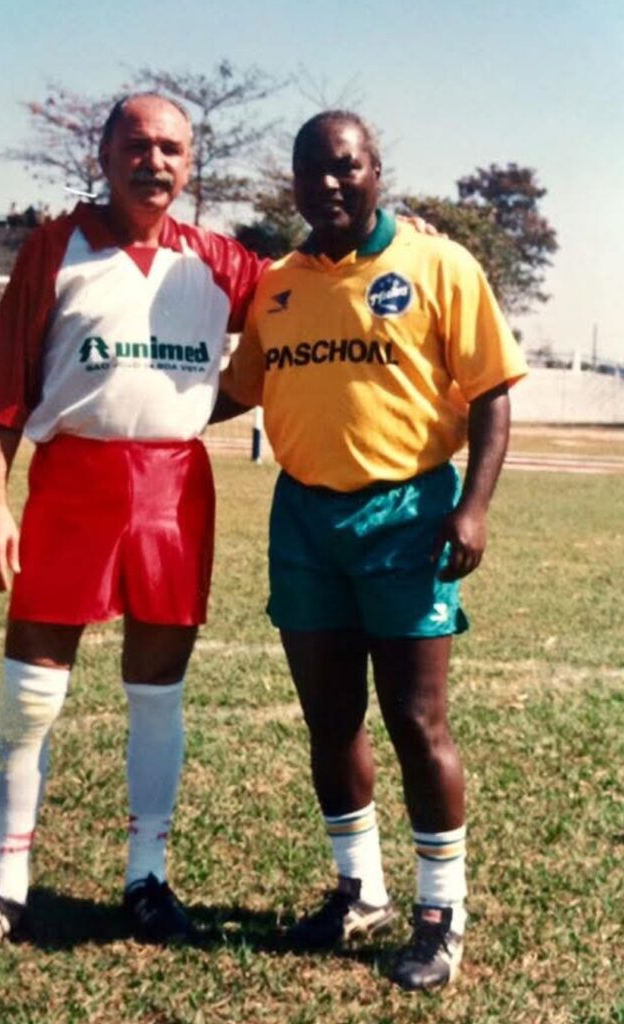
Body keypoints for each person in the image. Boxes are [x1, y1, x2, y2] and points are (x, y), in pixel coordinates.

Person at [0, 92, 266, 961]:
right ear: (105, 152)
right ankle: (4, 883)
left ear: (189, 164)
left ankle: (146, 878)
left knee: (157, 694)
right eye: (137, 145)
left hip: (173, 490)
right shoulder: (56, 248)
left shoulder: (220, 262)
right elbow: (5, 383)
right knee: (30, 694)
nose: (153, 162)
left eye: (171, 149)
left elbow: (307, 299)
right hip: (72, 484)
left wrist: (399, 240)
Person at [217, 110, 528, 991]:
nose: (327, 183)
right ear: (292, 182)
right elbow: (236, 389)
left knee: (415, 720)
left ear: (375, 172)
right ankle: (360, 892)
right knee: (329, 718)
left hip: (406, 514)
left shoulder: (438, 264)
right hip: (303, 520)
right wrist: (118, 404)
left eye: (345, 166)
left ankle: (441, 912)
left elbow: (492, 392)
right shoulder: (278, 284)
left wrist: (473, 507)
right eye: (310, 170)